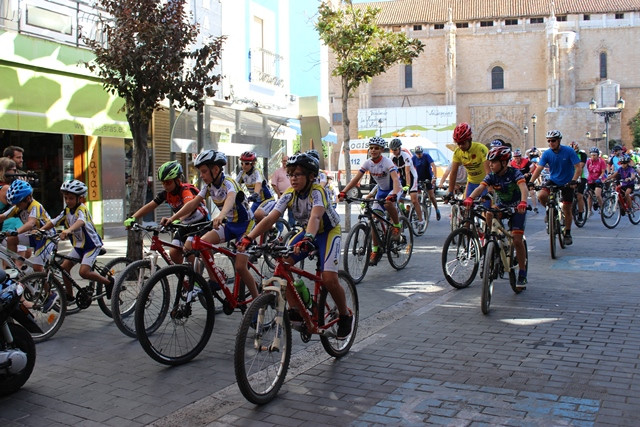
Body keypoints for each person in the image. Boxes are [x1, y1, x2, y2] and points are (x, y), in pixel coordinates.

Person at [236, 153, 353, 339]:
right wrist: (249, 238)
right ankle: (297, 309)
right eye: (290, 174)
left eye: (298, 174)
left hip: (327, 232)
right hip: (307, 232)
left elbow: (315, 217)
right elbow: (271, 218)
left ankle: (345, 315)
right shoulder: (290, 193)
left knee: (329, 278)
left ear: (311, 176)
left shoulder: (317, 191)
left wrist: (307, 239)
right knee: (282, 264)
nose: (293, 178)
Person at [160, 150, 259, 299]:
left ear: (216, 170)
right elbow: (193, 203)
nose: (201, 175)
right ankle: (216, 279)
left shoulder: (229, 183)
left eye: (204, 171)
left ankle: (257, 302)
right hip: (230, 224)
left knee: (240, 266)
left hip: (245, 226)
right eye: (200, 172)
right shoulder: (208, 186)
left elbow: (230, 199)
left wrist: (221, 215)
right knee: (200, 245)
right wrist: (173, 218)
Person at [464, 146, 530, 288]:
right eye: (490, 162)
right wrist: (470, 198)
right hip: (501, 206)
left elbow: (523, 187)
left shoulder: (514, 173)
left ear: (504, 163)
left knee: (517, 240)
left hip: (517, 207)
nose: (490, 165)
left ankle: (522, 273)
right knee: (489, 213)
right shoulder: (492, 176)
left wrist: (523, 202)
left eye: (493, 162)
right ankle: (492, 238)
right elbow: (480, 188)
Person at [39, 180, 112, 305]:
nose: (68, 201)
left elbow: (81, 221)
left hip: (91, 246)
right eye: (66, 198)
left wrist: (69, 230)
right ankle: (69, 295)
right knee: (64, 268)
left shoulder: (81, 209)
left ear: (80, 198)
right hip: (78, 246)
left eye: (71, 198)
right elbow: (54, 221)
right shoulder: (66, 210)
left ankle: (109, 283)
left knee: (83, 272)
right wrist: (40, 230)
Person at [124, 161, 209, 264]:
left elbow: (189, 207)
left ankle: (196, 279)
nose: (165, 186)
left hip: (199, 224)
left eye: (168, 182)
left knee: (188, 248)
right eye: (163, 183)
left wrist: (176, 219)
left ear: (177, 181)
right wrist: (133, 217)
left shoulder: (185, 190)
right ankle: (184, 277)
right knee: (173, 252)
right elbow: (150, 206)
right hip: (185, 224)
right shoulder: (166, 194)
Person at [338, 136, 403, 266]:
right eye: (371, 148)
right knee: (374, 219)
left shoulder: (387, 162)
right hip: (381, 191)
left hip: (394, 189)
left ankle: (396, 226)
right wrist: (344, 192)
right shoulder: (368, 163)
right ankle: (375, 250)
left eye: (376, 148)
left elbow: (395, 179)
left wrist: (394, 194)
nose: (373, 150)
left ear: (381, 150)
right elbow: (355, 179)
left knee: (388, 203)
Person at [529, 130, 582, 245]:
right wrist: (531, 182)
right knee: (542, 195)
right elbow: (539, 168)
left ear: (559, 141)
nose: (551, 143)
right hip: (553, 180)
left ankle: (567, 233)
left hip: (568, 182)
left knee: (567, 209)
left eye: (553, 141)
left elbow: (578, 167)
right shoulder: (547, 153)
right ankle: (549, 211)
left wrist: (573, 180)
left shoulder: (569, 151)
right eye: (549, 141)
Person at [0, 180, 54, 273]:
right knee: (11, 239)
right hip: (33, 235)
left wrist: (16, 231)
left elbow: (30, 223)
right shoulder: (18, 206)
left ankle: (46, 286)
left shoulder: (35, 206)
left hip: (46, 237)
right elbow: (2, 217)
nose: (17, 206)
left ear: (28, 198)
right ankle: (12, 268)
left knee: (38, 269)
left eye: (19, 203)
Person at [445, 122, 490, 203]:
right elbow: (453, 173)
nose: (461, 146)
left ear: (470, 140)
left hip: (485, 184)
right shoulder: (457, 152)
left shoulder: (481, 149)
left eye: (463, 143)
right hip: (471, 184)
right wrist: (450, 191)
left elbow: (488, 172)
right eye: (458, 143)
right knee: (466, 208)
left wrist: (490, 190)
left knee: (487, 212)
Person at [389, 138, 425, 231]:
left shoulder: (406, 156)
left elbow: (407, 172)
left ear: (399, 148)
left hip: (412, 177)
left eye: (395, 150)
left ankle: (421, 220)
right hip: (402, 178)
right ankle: (404, 214)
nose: (394, 152)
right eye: (392, 150)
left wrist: (408, 186)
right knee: (399, 199)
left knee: (414, 200)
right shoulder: (392, 157)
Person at [236, 151, 276, 223]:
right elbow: (234, 184)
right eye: (242, 163)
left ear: (253, 163)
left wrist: (255, 194)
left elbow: (258, 183)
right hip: (257, 201)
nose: (243, 166)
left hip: (268, 199)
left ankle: (272, 229)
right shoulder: (242, 173)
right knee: (249, 219)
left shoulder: (257, 171)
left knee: (257, 215)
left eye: (247, 163)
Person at [412, 145, 441, 221]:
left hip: (428, 177)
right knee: (416, 195)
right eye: (417, 153)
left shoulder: (426, 156)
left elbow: (433, 166)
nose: (419, 155)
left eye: (420, 153)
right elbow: (410, 168)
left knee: (431, 195)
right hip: (418, 178)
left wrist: (434, 177)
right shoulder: (413, 158)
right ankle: (417, 211)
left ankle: (437, 209)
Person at [270, 154, 295, 227]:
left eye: (286, 161)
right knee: (279, 215)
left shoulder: (292, 171)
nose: (285, 162)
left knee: (292, 215)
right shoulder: (277, 172)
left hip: (292, 195)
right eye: (284, 161)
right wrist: (279, 195)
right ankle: (279, 233)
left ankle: (292, 232)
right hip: (281, 195)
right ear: (281, 162)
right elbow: (274, 184)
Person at [510, 148, 538, 213]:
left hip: (527, 178)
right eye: (515, 158)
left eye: (518, 157)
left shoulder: (526, 161)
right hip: (519, 179)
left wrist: (529, 173)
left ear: (520, 157)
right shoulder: (512, 163)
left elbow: (533, 166)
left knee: (532, 192)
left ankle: (535, 207)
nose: (517, 159)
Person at [569, 141, 588, 221]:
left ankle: (580, 213)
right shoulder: (568, 154)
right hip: (570, 176)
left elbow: (581, 166)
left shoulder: (582, 155)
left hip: (581, 177)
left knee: (579, 195)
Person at [585, 147, 607, 214]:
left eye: (594, 155)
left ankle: (602, 207)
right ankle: (589, 210)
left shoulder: (601, 161)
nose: (593, 157)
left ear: (597, 155)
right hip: (591, 179)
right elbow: (586, 170)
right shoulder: (588, 161)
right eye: (591, 155)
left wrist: (600, 178)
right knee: (590, 195)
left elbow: (603, 172)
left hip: (598, 179)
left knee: (597, 195)